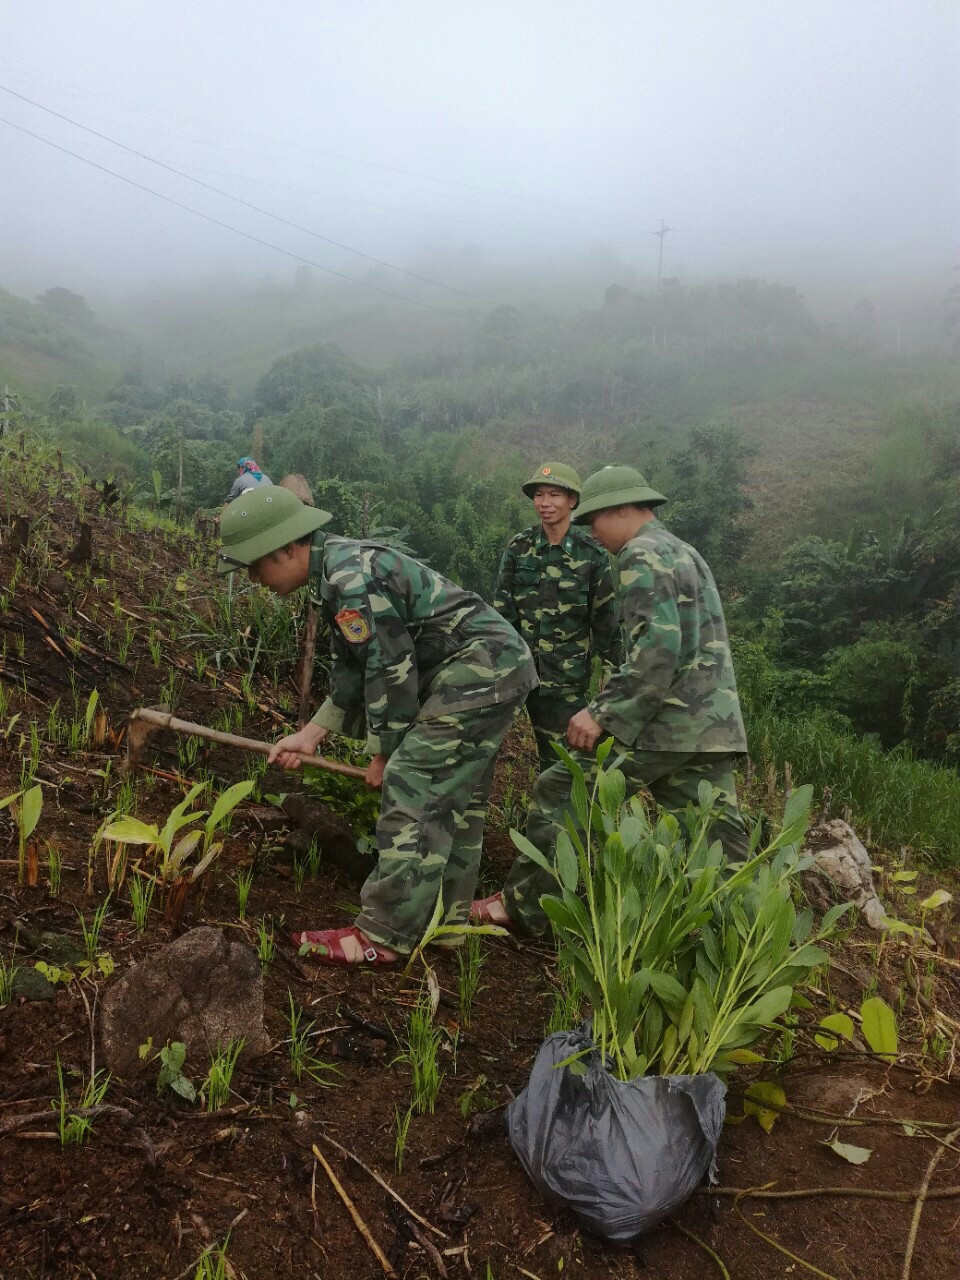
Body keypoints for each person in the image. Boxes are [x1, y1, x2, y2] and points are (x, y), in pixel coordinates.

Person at [217, 486, 538, 965]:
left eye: (256, 564)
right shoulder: (336, 572)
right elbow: (352, 671)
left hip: (480, 669)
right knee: (458, 798)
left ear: (286, 548)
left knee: (414, 782)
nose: (253, 577)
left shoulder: (350, 577)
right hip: (494, 667)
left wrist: (386, 755)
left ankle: (383, 936)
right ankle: (442, 924)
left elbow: (390, 669)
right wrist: (308, 736)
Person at [473, 464, 750, 936]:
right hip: (710, 721)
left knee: (562, 789)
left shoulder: (641, 554)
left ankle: (524, 907)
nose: (594, 534)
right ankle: (738, 929)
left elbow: (655, 653)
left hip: (665, 721)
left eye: (595, 520)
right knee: (714, 830)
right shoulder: (683, 551)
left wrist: (602, 713)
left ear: (620, 509)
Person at [494, 461, 621, 771]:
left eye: (554, 495)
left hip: (563, 683)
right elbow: (502, 613)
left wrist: (611, 673)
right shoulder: (519, 548)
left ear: (572, 501)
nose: (545, 504)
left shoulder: (591, 555)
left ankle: (559, 820)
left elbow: (605, 622)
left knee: (562, 767)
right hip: (516, 675)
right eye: (539, 495)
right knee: (484, 755)